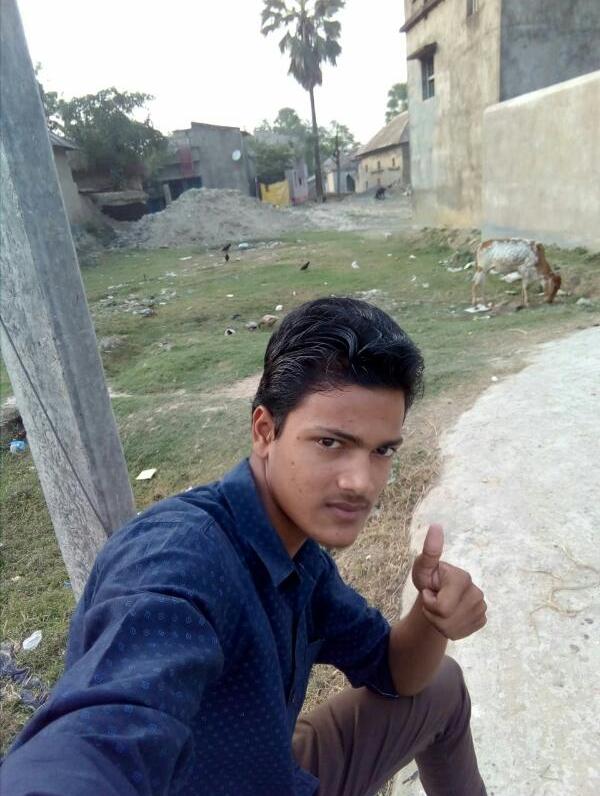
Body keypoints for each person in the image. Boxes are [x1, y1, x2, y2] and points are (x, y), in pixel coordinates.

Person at [1, 297, 487, 796]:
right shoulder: (179, 561)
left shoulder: (300, 558)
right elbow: (103, 734)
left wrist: (431, 616)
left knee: (442, 685)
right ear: (264, 431)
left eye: (382, 450)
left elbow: (395, 671)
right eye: (330, 443)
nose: (361, 482)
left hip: (270, 772)